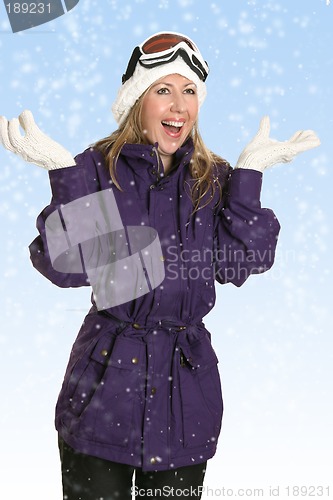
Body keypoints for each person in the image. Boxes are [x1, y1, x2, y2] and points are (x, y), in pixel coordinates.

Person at [0, 32, 320, 500]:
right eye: (163, 90)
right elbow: (63, 267)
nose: (179, 106)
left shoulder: (212, 178)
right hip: (104, 384)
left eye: (189, 91)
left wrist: (249, 177)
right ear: (136, 100)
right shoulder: (95, 168)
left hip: (185, 393)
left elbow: (241, 260)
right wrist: (66, 179)